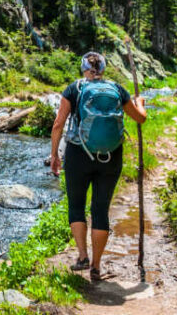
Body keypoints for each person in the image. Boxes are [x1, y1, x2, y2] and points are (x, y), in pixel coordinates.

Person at [49, 51, 147, 281]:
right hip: (111, 157)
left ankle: (82, 256)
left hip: (78, 153)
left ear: (83, 69)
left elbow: (58, 124)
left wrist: (54, 154)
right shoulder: (118, 89)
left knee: (76, 206)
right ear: (104, 69)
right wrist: (139, 103)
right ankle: (96, 265)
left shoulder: (74, 89)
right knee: (100, 209)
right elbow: (140, 118)